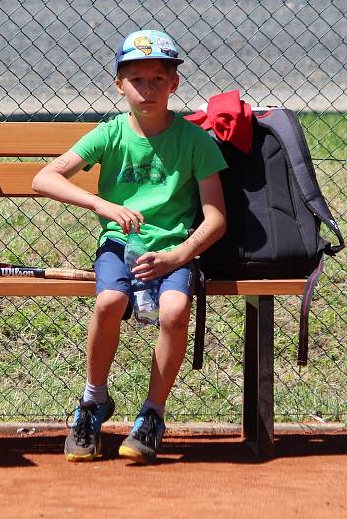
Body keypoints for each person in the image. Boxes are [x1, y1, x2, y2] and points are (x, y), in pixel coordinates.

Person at [32, 29, 227, 464]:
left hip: (174, 249)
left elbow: (215, 218)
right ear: (119, 83)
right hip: (119, 244)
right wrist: (102, 204)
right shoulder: (111, 133)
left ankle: (153, 413)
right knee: (109, 301)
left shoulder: (195, 142)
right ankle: (93, 401)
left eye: (159, 78)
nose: (148, 88)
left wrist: (179, 255)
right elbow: (43, 178)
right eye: (136, 79)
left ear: (174, 84)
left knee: (175, 313)